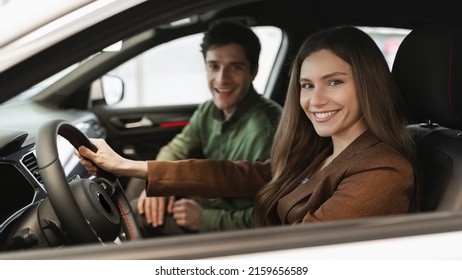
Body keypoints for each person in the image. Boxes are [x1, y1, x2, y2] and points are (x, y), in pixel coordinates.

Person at [77, 25, 419, 228]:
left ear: (368, 84)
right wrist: (130, 167)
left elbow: (304, 253)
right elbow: (240, 175)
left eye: (334, 82)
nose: (315, 101)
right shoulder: (320, 152)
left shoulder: (382, 168)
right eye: (307, 85)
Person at [124, 21, 282, 235]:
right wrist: (162, 184)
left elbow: (273, 214)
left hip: (233, 227)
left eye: (235, 67)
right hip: (212, 199)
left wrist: (204, 220)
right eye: (214, 66)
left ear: (253, 71)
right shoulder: (208, 110)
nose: (221, 79)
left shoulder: (269, 128)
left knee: (135, 213)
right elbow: (177, 148)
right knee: (142, 181)